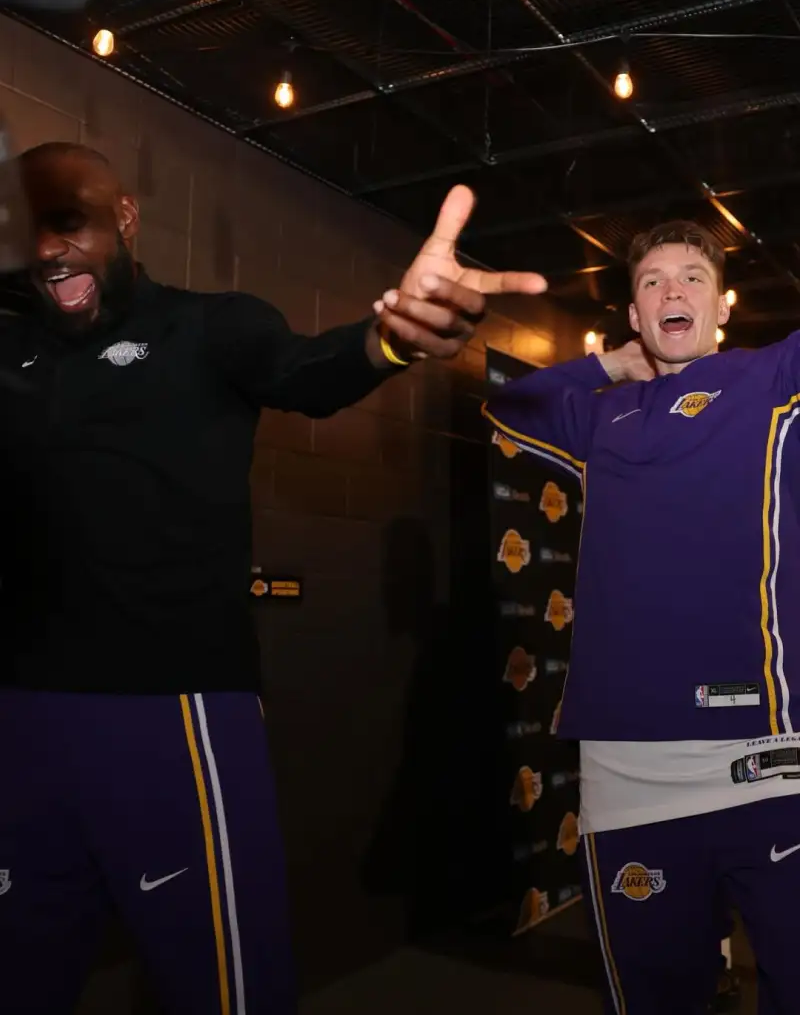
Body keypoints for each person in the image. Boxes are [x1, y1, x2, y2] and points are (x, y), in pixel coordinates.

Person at [0, 148, 544, 1015]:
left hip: (171, 717)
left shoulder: (208, 327)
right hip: (22, 721)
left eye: (71, 220)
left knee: (224, 988)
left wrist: (394, 337)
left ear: (126, 218)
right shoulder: (12, 347)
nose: (50, 248)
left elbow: (312, 371)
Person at [471, 217, 800, 1013]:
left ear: (722, 305)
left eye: (692, 277)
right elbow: (510, 403)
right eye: (652, 282)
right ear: (634, 314)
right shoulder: (604, 416)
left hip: (765, 758)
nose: (671, 290)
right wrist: (609, 366)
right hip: (627, 775)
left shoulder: (771, 377)